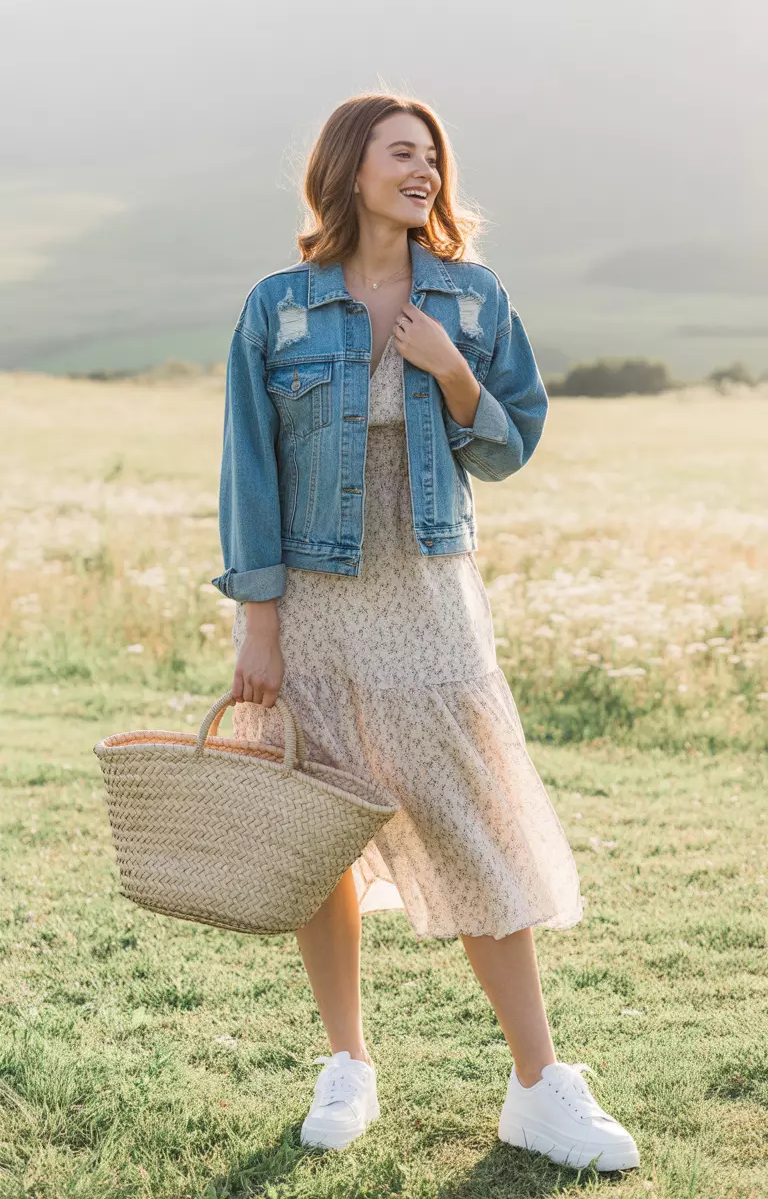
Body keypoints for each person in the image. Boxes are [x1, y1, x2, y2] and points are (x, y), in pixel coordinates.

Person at [211, 92, 640, 1171]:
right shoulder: (278, 309)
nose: (426, 174)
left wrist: (452, 370)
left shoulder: (476, 300)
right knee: (320, 838)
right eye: (404, 154)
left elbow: (510, 444)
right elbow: (249, 476)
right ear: (350, 166)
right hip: (312, 608)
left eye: (434, 159)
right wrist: (258, 625)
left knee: (476, 821)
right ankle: (348, 1064)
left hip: (431, 600)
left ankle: (539, 1084)